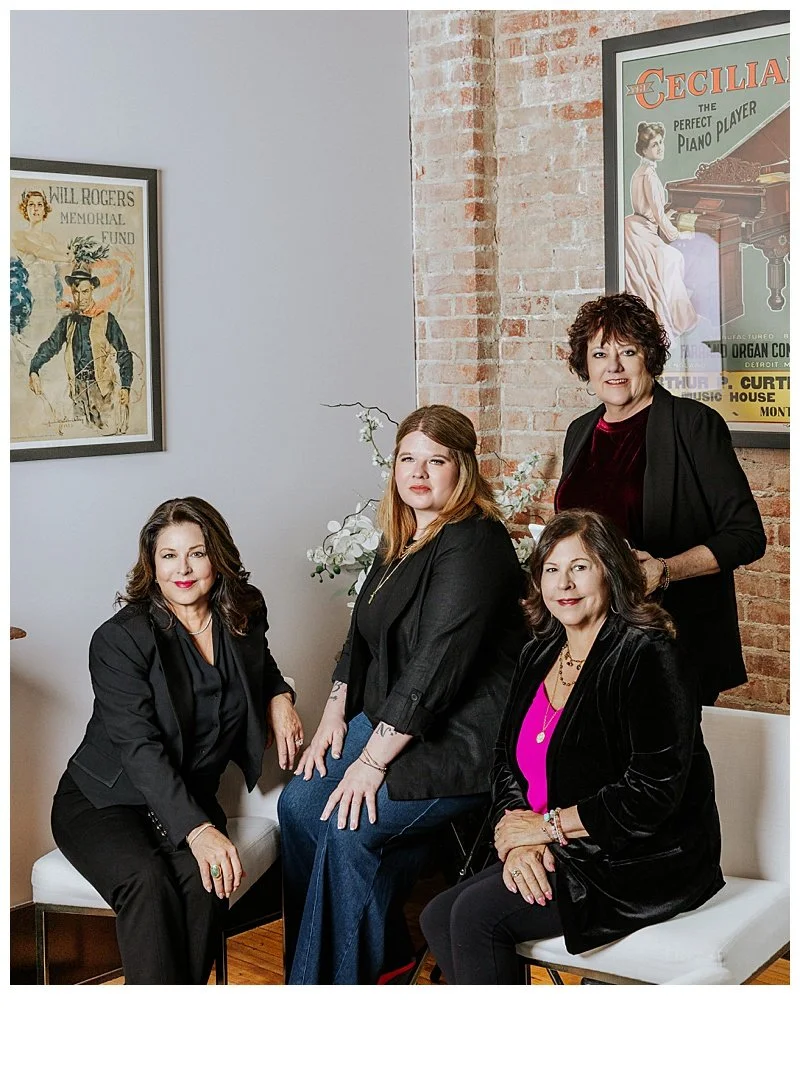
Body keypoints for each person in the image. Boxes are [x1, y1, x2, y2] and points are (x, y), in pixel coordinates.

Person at [278, 404, 528, 984]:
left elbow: (435, 667)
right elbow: (359, 633)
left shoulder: (474, 542)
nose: (419, 473)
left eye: (435, 460)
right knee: (297, 807)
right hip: (396, 719)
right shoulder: (404, 536)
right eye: (407, 459)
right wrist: (334, 715)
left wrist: (368, 763)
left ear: (462, 468)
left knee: (348, 828)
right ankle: (364, 958)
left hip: (461, 738)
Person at [420, 509, 724, 984]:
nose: (565, 583)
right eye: (552, 569)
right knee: (436, 915)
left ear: (611, 571)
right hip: (560, 843)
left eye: (580, 567)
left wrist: (547, 828)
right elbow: (505, 761)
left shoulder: (649, 652)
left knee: (476, 917)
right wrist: (519, 840)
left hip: (640, 857)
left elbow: (652, 792)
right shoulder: (539, 651)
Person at [50, 497, 304, 984]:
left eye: (197, 553)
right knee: (148, 881)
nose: (183, 569)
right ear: (151, 563)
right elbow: (138, 747)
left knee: (202, 880)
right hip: (104, 800)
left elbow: (260, 666)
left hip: (187, 795)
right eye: (169, 555)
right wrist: (199, 830)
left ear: (218, 557)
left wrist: (280, 696)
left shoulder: (242, 611)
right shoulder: (120, 640)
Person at [555, 291, 765, 705]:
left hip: (669, 638)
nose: (613, 367)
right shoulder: (580, 431)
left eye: (627, 352)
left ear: (648, 357)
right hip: (591, 635)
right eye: (599, 354)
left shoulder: (693, 425)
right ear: (584, 365)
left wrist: (664, 570)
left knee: (673, 767)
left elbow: (747, 535)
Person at [28, 266, 134, 433]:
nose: (80, 297)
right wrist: (34, 369)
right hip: (77, 392)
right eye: (76, 292)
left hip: (103, 392)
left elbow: (124, 354)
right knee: (83, 434)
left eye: (85, 292)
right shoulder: (68, 322)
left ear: (92, 289)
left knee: (108, 436)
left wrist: (126, 386)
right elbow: (50, 346)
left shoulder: (107, 319)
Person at [623, 121, 699, 351]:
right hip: (642, 233)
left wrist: (665, 213)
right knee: (674, 259)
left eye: (661, 143)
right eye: (654, 144)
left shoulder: (639, 172)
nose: (660, 148)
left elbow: (651, 208)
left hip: (633, 227)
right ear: (644, 150)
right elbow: (657, 213)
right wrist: (678, 234)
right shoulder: (651, 176)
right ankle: (679, 320)